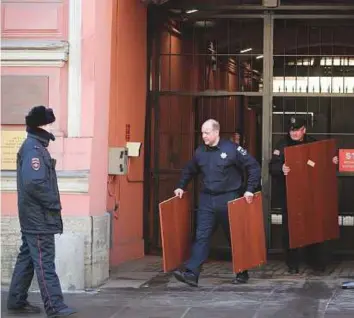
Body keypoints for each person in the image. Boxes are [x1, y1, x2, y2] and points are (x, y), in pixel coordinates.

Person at [172, 119, 261, 287]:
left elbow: (253, 166)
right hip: (207, 199)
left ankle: (242, 271)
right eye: (202, 133)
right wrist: (180, 186)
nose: (203, 136)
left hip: (229, 198)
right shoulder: (200, 152)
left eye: (206, 133)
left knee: (235, 237)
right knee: (201, 235)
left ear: (216, 132)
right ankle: (192, 273)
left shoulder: (232, 149)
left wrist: (250, 188)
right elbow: (189, 169)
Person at [7, 106, 76, 317]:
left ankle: (16, 300)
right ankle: (55, 306)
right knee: (44, 262)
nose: (51, 127)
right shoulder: (34, 149)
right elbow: (34, 183)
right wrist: (54, 203)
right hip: (39, 217)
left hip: (34, 216)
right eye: (49, 123)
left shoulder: (34, 147)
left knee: (27, 257)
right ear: (42, 125)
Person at [269, 116, 338, 274]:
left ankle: (315, 262)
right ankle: (292, 263)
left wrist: (333, 160)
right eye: (291, 130)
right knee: (291, 230)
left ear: (304, 130)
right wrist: (281, 168)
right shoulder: (282, 144)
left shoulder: (313, 143)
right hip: (290, 196)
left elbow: (324, 161)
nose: (293, 133)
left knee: (313, 228)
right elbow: (272, 165)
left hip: (310, 195)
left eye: (297, 130)